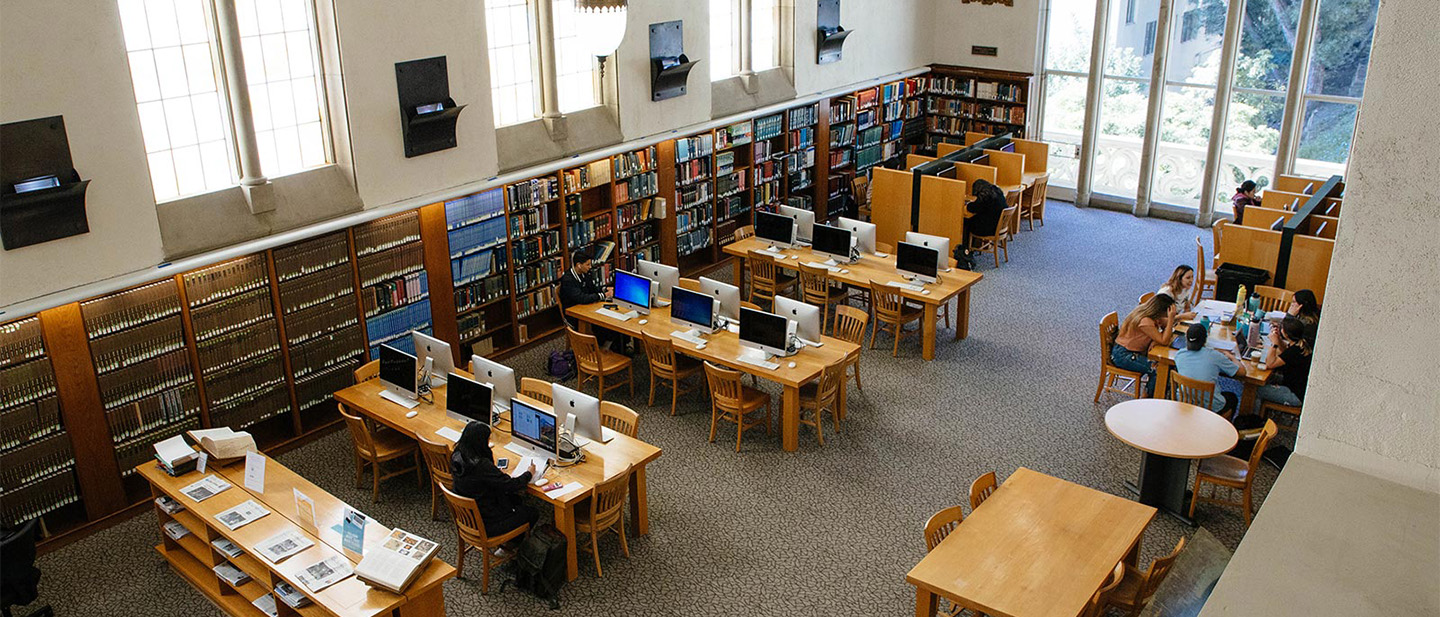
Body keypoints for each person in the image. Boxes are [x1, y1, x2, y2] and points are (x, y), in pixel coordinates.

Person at [449, 422, 539, 539]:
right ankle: (511, 544)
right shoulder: (481, 465)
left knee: (516, 499)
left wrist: (495, 474)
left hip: (470, 516)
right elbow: (511, 485)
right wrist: (529, 473)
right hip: (487, 523)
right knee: (531, 512)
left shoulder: (457, 454)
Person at [558, 247, 629, 352]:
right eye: (587, 265)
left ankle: (615, 345)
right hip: (574, 313)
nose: (590, 267)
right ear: (578, 265)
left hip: (588, 306)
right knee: (606, 323)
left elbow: (592, 289)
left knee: (614, 318)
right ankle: (606, 347)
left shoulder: (585, 273)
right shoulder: (568, 280)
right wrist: (603, 295)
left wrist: (604, 290)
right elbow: (581, 298)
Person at [1112, 294, 1179, 397]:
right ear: (1160, 312)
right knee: (1157, 370)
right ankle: (1148, 397)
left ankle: (1159, 393)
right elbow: (1164, 340)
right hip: (1124, 355)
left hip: (1132, 351)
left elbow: (1163, 330)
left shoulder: (1148, 313)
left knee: (1167, 367)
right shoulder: (1145, 321)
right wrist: (1171, 319)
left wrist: (1155, 339)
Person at [1174, 323, 1244, 417]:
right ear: (1205, 340)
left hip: (1184, 402)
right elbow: (1242, 372)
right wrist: (1232, 357)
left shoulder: (1179, 355)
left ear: (1186, 338)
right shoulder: (1214, 356)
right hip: (1209, 407)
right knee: (1232, 398)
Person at [1257, 316, 1313, 410]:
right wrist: (1278, 339)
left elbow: (1270, 364)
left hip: (1295, 394)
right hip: (1295, 385)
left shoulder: (1294, 351)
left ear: (1286, 334)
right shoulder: (1300, 344)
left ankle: (1254, 419)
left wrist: (1274, 344)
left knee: (1256, 390)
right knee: (1268, 378)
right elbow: (1285, 351)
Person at [961, 178, 1007, 259]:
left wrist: (967, 204)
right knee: (972, 219)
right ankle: (971, 247)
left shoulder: (985, 198)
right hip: (999, 227)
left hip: (989, 229)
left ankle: (966, 249)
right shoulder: (997, 192)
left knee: (965, 221)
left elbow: (970, 208)